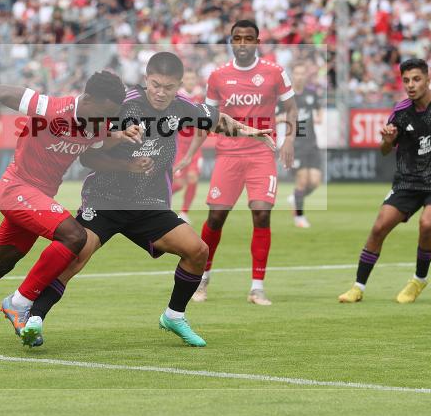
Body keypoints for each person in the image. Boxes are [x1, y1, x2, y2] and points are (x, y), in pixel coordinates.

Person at [22, 52, 275, 348]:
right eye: (155, 85)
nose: (161, 92)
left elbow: (216, 120)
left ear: (178, 85)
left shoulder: (182, 107)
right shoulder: (123, 106)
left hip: (148, 204)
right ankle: (34, 317)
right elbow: (89, 156)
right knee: (76, 254)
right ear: (146, 80)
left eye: (168, 87)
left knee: (197, 250)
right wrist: (124, 160)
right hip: (105, 199)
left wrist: (250, 132)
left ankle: (174, 316)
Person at [0, 71, 142, 341]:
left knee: (1, 263)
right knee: (75, 235)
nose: (106, 120)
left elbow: (95, 148)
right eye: (104, 113)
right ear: (87, 99)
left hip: (37, 200)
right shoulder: (50, 108)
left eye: (111, 116)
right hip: (16, 188)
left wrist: (122, 139)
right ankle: (19, 304)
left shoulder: (96, 125)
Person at [338, 59, 431, 304]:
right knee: (379, 227)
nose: (411, 85)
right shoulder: (400, 111)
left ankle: (418, 280)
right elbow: (385, 151)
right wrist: (387, 140)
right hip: (408, 181)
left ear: (428, 80)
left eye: (416, 79)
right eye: (406, 80)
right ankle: (357, 287)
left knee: (427, 224)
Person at [183, 19, 297, 305]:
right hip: (229, 154)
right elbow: (207, 119)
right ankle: (202, 280)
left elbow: (291, 107)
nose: (243, 43)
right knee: (216, 218)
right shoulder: (218, 76)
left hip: (261, 154)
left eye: (249, 38)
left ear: (257, 42)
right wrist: (188, 154)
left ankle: (257, 287)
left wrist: (289, 140)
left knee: (261, 214)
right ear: (231, 41)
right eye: (238, 38)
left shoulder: (274, 72)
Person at [285, 62, 323, 228]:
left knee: (314, 182)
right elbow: (274, 115)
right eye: (297, 73)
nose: (299, 76)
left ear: (305, 76)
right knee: (301, 181)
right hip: (296, 144)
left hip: (312, 143)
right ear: (292, 75)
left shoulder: (311, 94)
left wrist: (319, 117)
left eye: (302, 73)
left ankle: (295, 198)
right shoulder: (286, 97)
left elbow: (319, 109)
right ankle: (299, 218)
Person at [171, 68, 204, 223]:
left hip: (195, 145)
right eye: (188, 78)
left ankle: (184, 212)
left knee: (192, 178)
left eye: (193, 78)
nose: (190, 81)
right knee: (178, 183)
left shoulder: (201, 96)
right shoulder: (177, 97)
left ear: (196, 80)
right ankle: (157, 201)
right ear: (184, 81)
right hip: (179, 145)